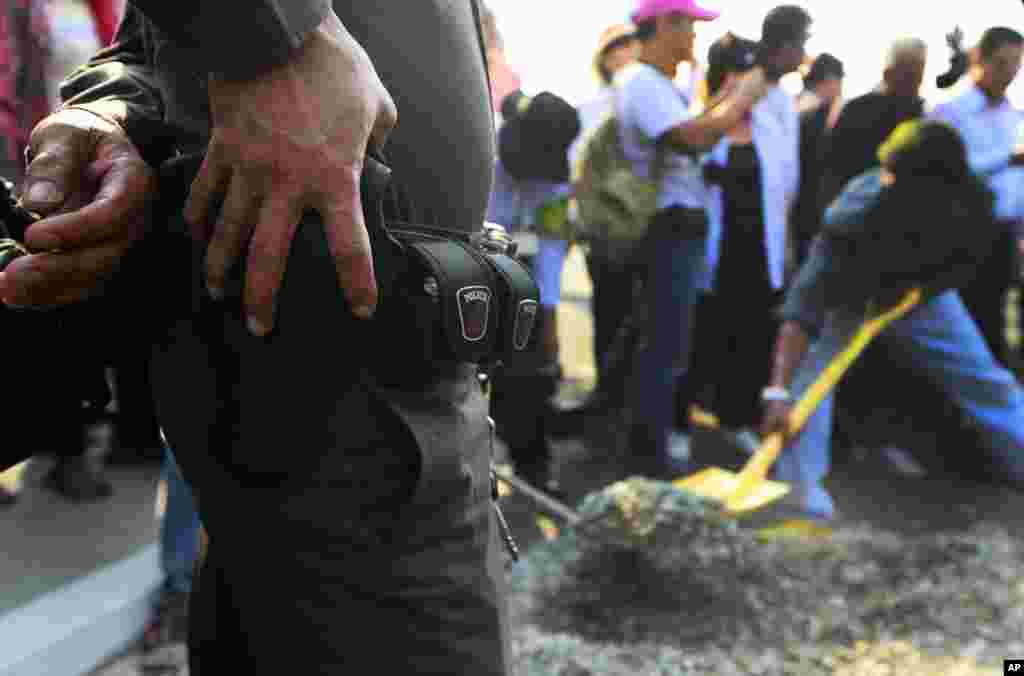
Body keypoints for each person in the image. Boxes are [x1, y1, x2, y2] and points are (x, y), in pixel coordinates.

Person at [0, 1, 513, 674]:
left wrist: (114, 109)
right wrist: (274, 39)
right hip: (336, 442)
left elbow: (149, 49)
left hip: (392, 431)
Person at [761, 119, 1024, 522]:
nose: (883, 181)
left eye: (895, 177)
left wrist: (926, 286)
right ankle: (801, 501)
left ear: (934, 188)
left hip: (922, 298)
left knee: (986, 381)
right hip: (854, 300)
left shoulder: (970, 200)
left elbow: (966, 259)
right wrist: (776, 392)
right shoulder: (852, 218)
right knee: (810, 386)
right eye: (885, 171)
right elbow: (802, 308)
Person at [612, 0, 772, 473]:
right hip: (669, 227)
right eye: (690, 26)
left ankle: (647, 448)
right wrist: (742, 100)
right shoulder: (642, 82)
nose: (695, 36)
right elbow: (693, 138)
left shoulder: (658, 84)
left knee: (665, 344)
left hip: (679, 225)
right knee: (664, 348)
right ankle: (649, 458)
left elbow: (696, 126)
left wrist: (729, 97)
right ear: (665, 25)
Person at [678, 13, 806, 449]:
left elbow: (788, 181)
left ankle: (737, 417)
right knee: (700, 334)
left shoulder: (778, 109)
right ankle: (686, 419)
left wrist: (785, 240)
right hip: (713, 246)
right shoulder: (703, 115)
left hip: (756, 249)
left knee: (751, 334)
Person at [487, 89, 579, 494]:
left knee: (532, 377)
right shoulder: (481, 153)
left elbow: (552, 245)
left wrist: (548, 313)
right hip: (470, 272)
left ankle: (532, 466)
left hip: (525, 277)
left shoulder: (558, 174)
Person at [932, 27, 1024, 367]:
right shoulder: (951, 113)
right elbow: (951, 173)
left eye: (1017, 64)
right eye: (1002, 63)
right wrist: (1008, 158)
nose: (1011, 73)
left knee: (997, 324)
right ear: (980, 61)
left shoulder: (1015, 117)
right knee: (968, 324)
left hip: (1005, 235)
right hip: (965, 233)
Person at [570, 24, 639, 408]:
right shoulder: (590, 108)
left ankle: (629, 399)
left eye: (630, 45)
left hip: (648, 227)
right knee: (610, 311)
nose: (625, 53)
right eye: (616, 47)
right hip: (606, 230)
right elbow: (577, 171)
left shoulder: (654, 96)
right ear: (605, 58)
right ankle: (607, 399)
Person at [791, 52, 844, 262]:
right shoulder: (822, 115)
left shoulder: (793, 105)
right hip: (814, 211)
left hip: (795, 209)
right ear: (831, 81)